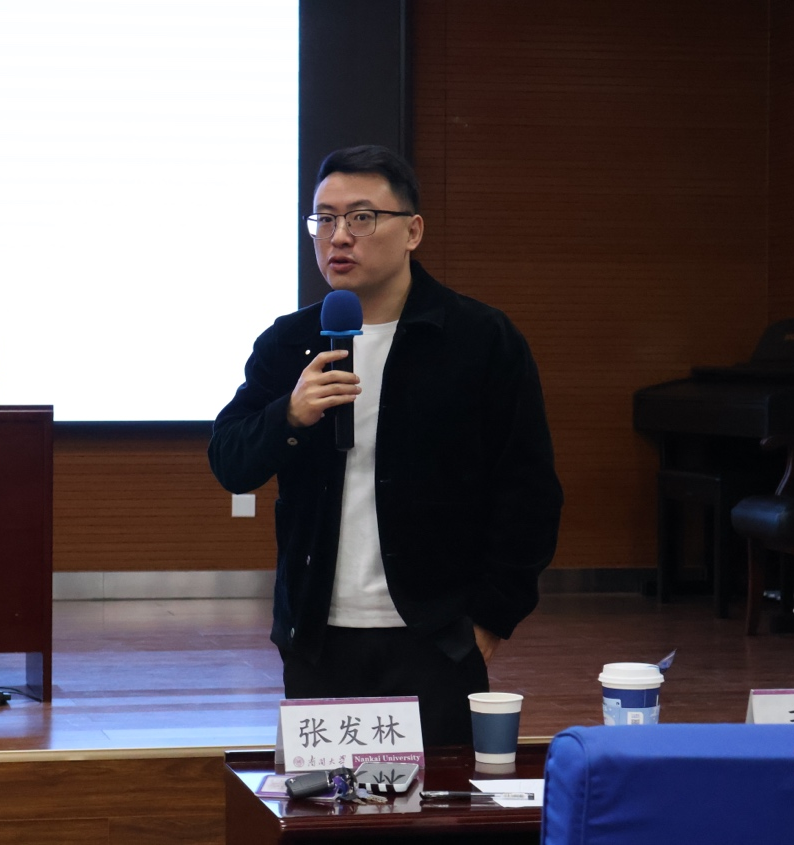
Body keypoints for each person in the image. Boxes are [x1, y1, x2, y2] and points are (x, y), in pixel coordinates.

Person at [208, 145, 563, 747]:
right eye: (324, 219)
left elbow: (528, 491)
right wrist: (289, 414)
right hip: (316, 638)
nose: (339, 236)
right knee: (324, 799)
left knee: (433, 801)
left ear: (412, 232)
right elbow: (231, 463)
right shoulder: (288, 343)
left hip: (436, 637)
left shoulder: (479, 339)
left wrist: (491, 619)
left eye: (362, 217)